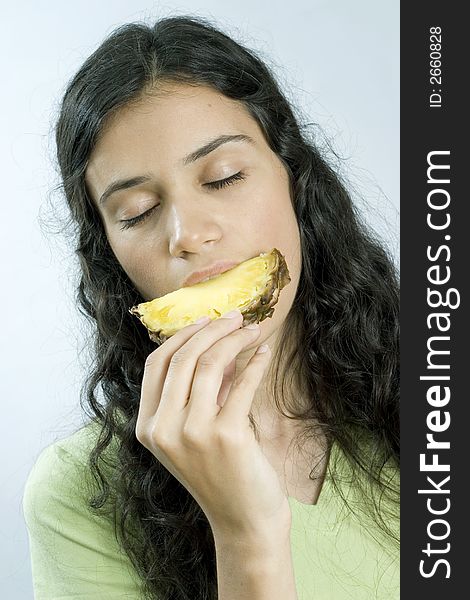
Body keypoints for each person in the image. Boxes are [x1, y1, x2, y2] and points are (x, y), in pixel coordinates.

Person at [23, 15, 400, 600]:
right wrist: (245, 535)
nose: (187, 234)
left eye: (223, 178)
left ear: (295, 178)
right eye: (138, 212)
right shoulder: (79, 494)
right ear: (110, 255)